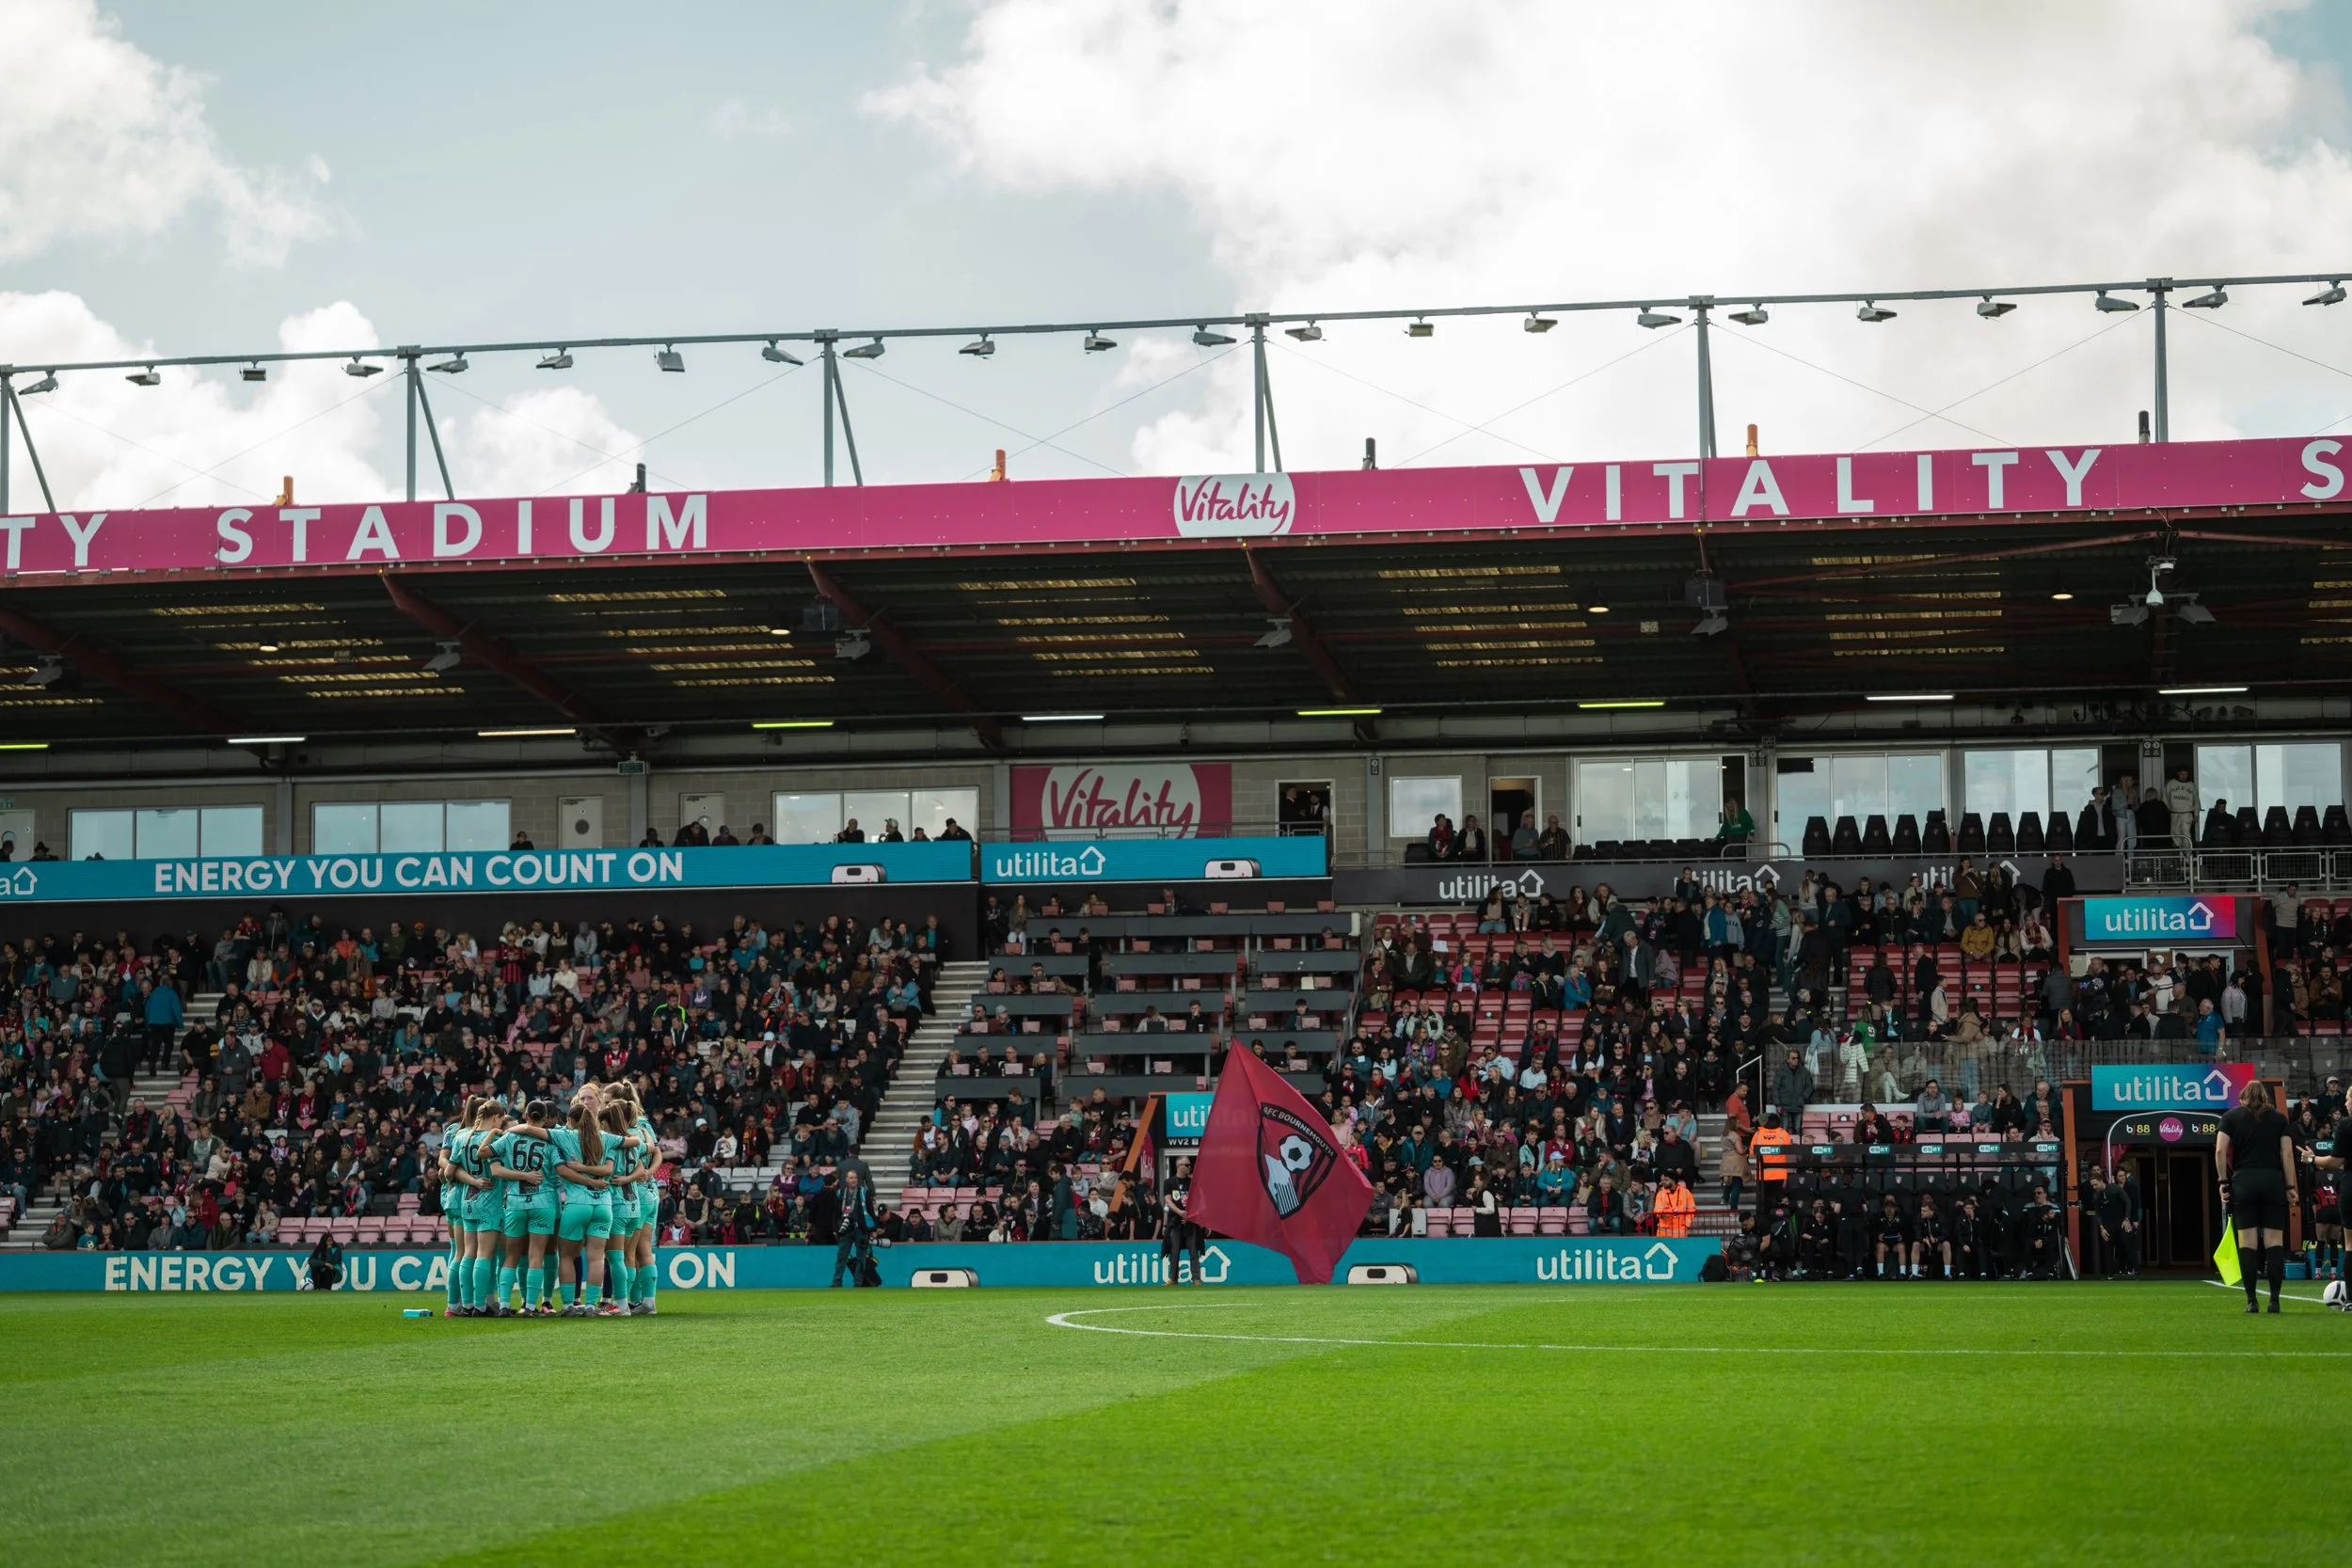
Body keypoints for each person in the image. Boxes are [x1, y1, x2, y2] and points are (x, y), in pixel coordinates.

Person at [2217, 1080, 2297, 1313]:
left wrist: (2223, 1182)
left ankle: (2251, 1301)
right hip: (2272, 1180)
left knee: (2248, 1245)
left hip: (2244, 1182)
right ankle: (2274, 1300)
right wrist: (2290, 1185)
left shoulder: (2231, 1117)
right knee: (2274, 1243)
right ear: (2265, 1098)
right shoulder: (2279, 1119)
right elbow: (2287, 1154)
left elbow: (2220, 1151)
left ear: (2242, 1098)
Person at [488, 1100, 563, 1314]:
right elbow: (558, 1172)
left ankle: (504, 1305)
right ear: (546, 1118)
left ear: (526, 1116)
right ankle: (530, 1306)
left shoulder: (510, 1136)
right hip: (544, 1201)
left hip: (515, 1201)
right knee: (536, 1255)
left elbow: (488, 1153)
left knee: (512, 1255)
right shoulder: (550, 1141)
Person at [1161, 1157, 1208, 1285]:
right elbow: (1168, 1201)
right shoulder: (1169, 1182)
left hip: (1190, 1222)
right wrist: (1180, 1212)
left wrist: (1194, 1216)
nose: (1189, 1167)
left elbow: (1201, 1202)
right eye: (1186, 1165)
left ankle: (1196, 1278)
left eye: (1189, 1165)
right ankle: (1173, 1278)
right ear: (1179, 1166)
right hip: (1175, 1222)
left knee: (1193, 1250)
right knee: (1174, 1250)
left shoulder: (1193, 1182)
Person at [833, 1169, 876, 1287]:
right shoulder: (840, 1193)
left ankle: (858, 1282)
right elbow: (836, 1212)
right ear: (846, 1179)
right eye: (851, 1178)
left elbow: (870, 1211)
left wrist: (873, 1230)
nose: (854, 1180)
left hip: (860, 1229)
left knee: (861, 1257)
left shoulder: (864, 1192)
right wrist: (836, 1229)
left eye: (855, 1178)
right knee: (841, 1256)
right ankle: (837, 1282)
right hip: (845, 1228)